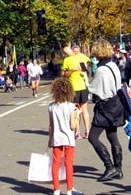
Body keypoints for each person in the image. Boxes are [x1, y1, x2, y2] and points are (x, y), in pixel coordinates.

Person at [87, 39, 124, 182]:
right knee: (112, 136)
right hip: (116, 103)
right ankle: (118, 168)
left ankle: (110, 167)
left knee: (93, 137)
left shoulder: (101, 70)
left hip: (105, 106)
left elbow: (93, 88)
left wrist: (84, 78)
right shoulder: (112, 65)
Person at [47, 77, 83, 195]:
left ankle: (56, 189)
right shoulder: (71, 107)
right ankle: (69, 189)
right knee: (68, 163)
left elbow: (51, 125)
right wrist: (77, 115)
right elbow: (73, 126)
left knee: (55, 163)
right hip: (68, 138)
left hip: (56, 138)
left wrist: (50, 139)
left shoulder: (51, 107)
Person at [61, 43, 91, 139]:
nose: (76, 52)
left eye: (77, 51)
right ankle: (78, 132)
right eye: (74, 51)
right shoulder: (66, 60)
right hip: (73, 88)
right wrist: (72, 70)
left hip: (83, 87)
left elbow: (90, 64)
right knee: (75, 110)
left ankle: (87, 131)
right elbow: (63, 74)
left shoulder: (82, 56)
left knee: (84, 109)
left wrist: (85, 67)